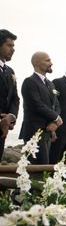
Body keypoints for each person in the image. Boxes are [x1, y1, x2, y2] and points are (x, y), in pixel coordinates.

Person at [19, 52, 62, 164]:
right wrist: (56, 117)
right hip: (34, 132)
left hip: (47, 132)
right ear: (37, 62)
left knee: (45, 167)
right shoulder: (29, 82)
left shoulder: (50, 84)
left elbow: (56, 105)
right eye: (47, 60)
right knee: (36, 169)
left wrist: (54, 123)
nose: (51, 63)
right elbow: (36, 104)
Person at [0, 29, 19, 162]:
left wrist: (11, 116)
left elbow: (15, 98)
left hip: (3, 130)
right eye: (9, 45)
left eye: (13, 46)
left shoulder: (9, 71)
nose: (13, 49)